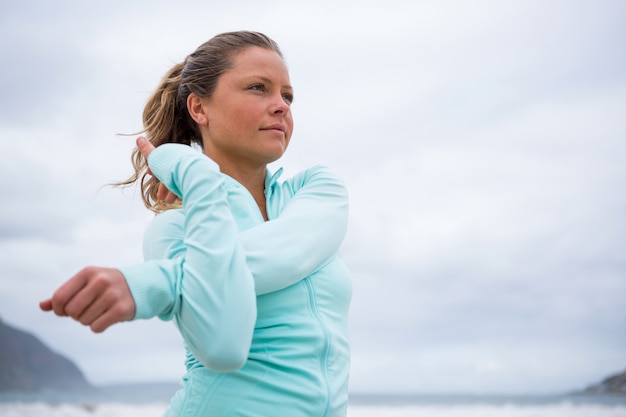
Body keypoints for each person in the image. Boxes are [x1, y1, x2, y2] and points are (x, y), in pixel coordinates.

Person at [40, 31, 352, 416]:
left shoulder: (318, 190)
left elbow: (280, 256)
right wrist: (198, 177)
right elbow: (224, 345)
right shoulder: (173, 229)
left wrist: (160, 282)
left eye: (287, 96)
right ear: (199, 109)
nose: (281, 106)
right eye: (259, 88)